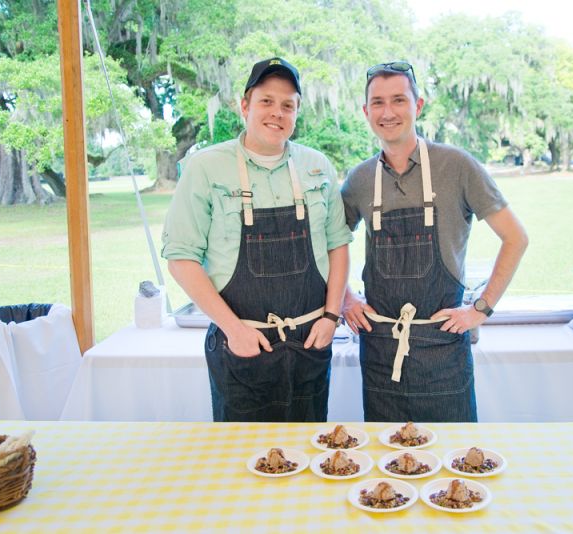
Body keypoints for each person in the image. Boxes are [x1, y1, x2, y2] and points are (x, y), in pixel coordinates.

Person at [161, 58, 352, 422]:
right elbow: (181, 258)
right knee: (243, 463)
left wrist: (331, 315)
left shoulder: (318, 167)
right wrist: (234, 329)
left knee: (311, 456)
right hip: (242, 349)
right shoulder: (205, 168)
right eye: (266, 101)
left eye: (287, 105)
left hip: (310, 345)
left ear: (296, 112)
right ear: (244, 105)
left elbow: (337, 244)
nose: (276, 113)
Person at [341, 61, 528, 422]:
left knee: (452, 466)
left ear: (418, 105)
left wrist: (481, 309)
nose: (388, 112)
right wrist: (347, 299)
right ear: (366, 112)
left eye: (399, 100)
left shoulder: (457, 166)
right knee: (385, 466)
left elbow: (515, 238)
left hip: (443, 351)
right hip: (381, 350)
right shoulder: (360, 180)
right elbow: (326, 244)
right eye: (377, 102)